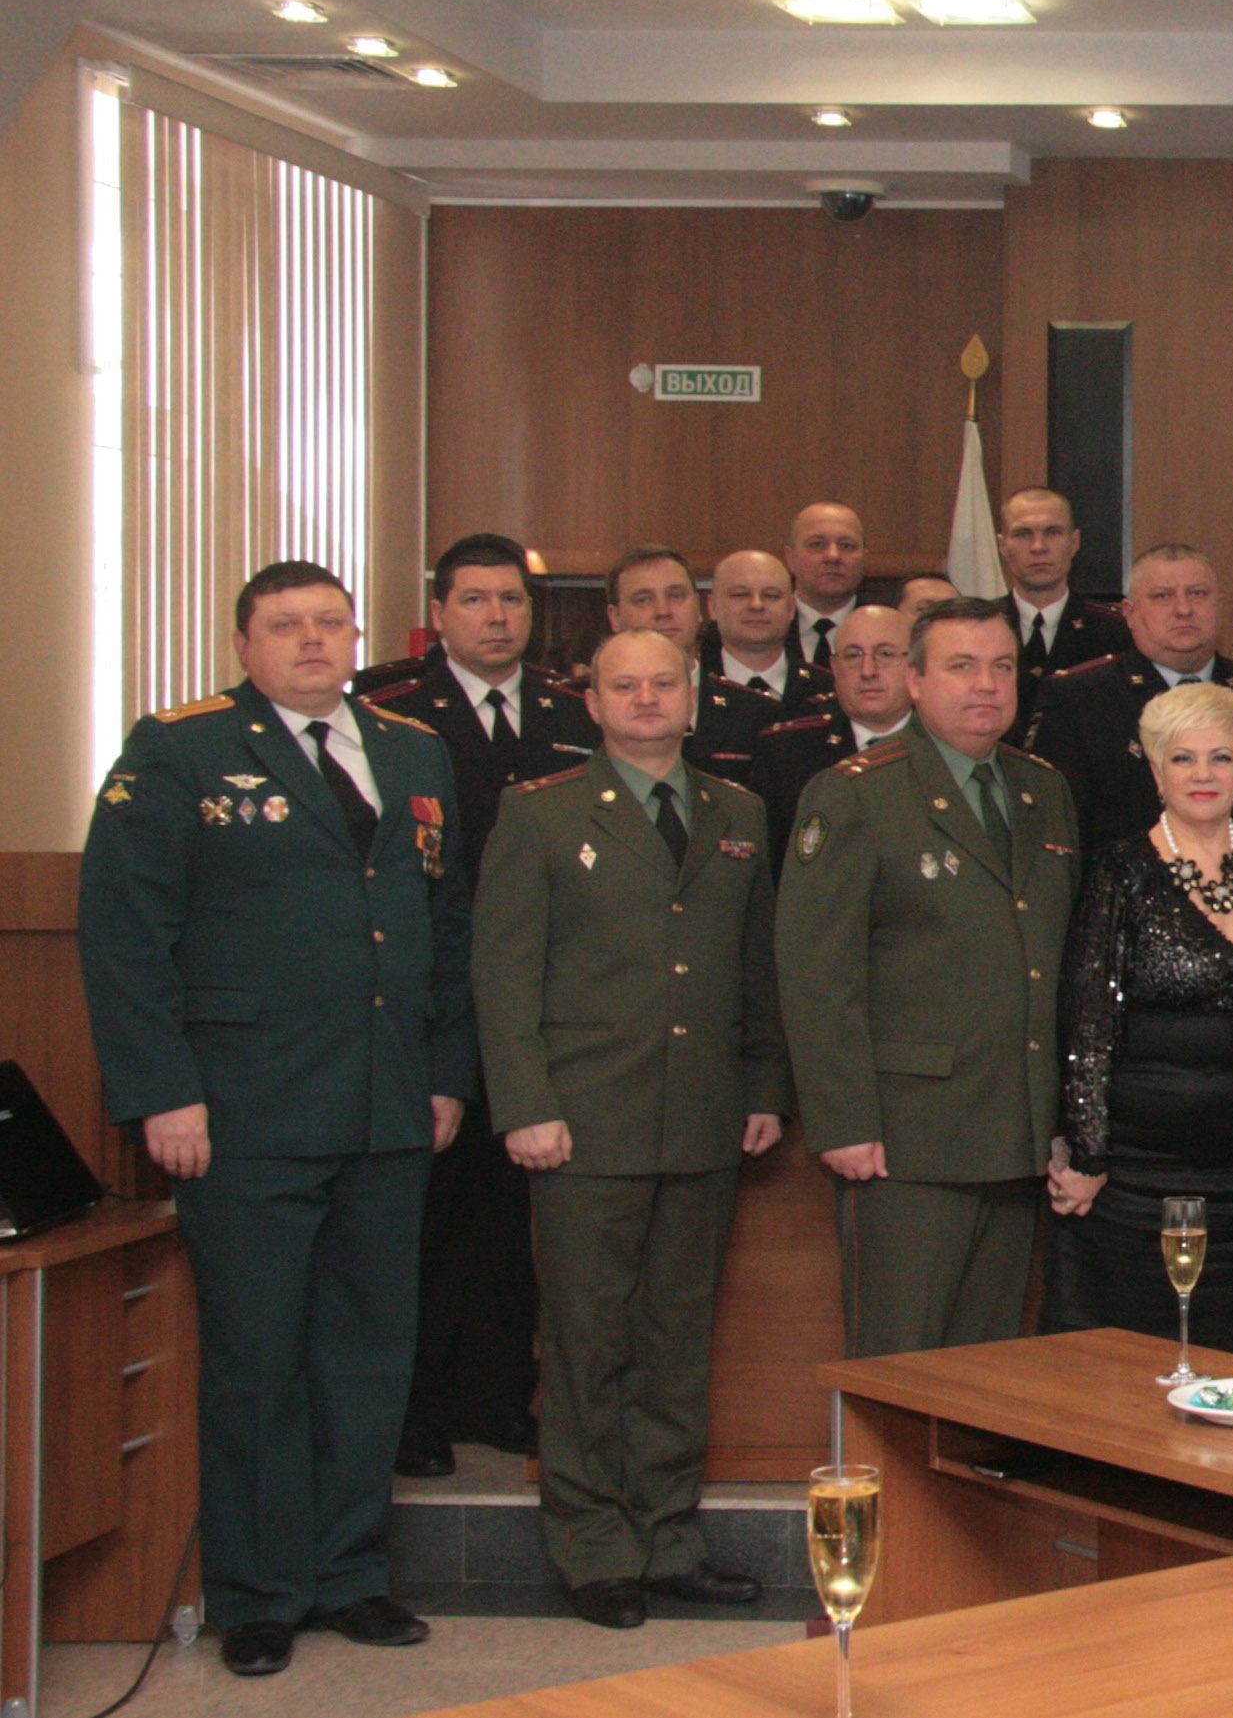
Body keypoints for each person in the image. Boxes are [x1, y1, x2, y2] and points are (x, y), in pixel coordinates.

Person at [80, 561, 470, 1678]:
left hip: (386, 1102)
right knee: (259, 1358)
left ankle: (352, 1574)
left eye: (329, 623)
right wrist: (162, 1090)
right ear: (243, 644)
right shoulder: (181, 749)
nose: (311, 642)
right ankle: (259, 1592)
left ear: (357, 636)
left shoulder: (412, 750)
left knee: (368, 1354)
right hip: (243, 1107)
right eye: (286, 625)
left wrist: (446, 1073)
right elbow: (124, 931)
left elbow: (443, 923)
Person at [472, 629, 785, 1631]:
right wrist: (526, 1103)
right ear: (593, 702)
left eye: (663, 683)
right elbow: (504, 973)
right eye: (625, 685)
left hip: (702, 1114)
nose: (647, 699)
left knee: (675, 1341)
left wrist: (763, 1083)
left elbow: (753, 963)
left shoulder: (738, 810)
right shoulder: (540, 811)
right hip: (584, 1119)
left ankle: (668, 1536)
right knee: (586, 1341)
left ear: (693, 699)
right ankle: (595, 1545)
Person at [776, 598, 1080, 1355]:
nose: (987, 684)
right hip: (906, 1138)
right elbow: (817, 973)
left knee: (986, 1366)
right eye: (961, 666)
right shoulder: (855, 792)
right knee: (897, 1359)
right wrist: (843, 1121)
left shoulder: (1042, 789)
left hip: (1016, 1131)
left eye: (1002, 666)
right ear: (912, 679)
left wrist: (1063, 1121)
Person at [353, 533, 593, 1479]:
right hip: (432, 994)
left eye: (512, 600)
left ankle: (496, 1396)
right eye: (476, 600)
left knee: (508, 1220)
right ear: (438, 612)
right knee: (425, 1215)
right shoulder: (389, 711)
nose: (497, 617)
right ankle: (412, 1409)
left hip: (546, 997)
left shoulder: (571, 711)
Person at [1049, 682, 1233, 1349]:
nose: (1202, 774)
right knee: (1131, 1359)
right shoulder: (1120, 868)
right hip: (1139, 1170)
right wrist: (1087, 1151)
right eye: (1182, 758)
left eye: (1221, 757)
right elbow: (1088, 1021)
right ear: (1156, 771)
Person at [1026, 544, 1233, 856]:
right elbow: (1056, 832)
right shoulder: (1076, 699)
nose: (1184, 609)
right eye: (1163, 596)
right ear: (1129, 613)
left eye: (1198, 594)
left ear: (1219, 607)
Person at [753, 605, 919, 863]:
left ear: (915, 666)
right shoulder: (786, 751)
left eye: (885, 654)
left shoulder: (948, 743)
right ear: (834, 667)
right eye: (853, 656)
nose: (868, 671)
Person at [603, 545, 777, 789]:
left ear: (698, 608)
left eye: (676, 596)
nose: (663, 611)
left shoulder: (758, 713)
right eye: (643, 600)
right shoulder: (578, 712)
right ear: (615, 617)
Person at [996, 486, 1138, 738]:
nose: (1038, 547)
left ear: (1074, 542)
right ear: (1002, 545)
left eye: (1053, 532)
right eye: (1023, 534)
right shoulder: (978, 627)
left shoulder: (1118, 631)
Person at [709, 550, 831, 717]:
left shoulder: (830, 690)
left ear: (791, 608)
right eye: (740, 595)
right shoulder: (690, 690)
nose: (756, 605)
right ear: (713, 606)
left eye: (770, 595)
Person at [788, 502, 869, 666]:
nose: (833, 556)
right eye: (817, 544)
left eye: (846, 546)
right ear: (791, 558)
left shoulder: (890, 631)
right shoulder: (765, 627)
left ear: (864, 559)